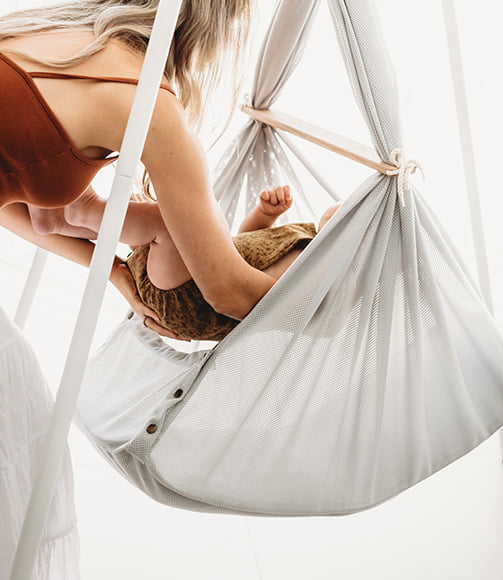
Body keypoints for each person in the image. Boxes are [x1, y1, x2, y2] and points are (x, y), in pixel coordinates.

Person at [0, 1, 260, 576]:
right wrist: (339, 289)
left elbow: (28, 206)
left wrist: (116, 272)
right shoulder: (142, 100)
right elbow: (228, 292)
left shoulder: (46, 35)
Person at [38, 185, 338, 341]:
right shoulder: (306, 233)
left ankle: (84, 211)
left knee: (168, 222)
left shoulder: (328, 270)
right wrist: (265, 214)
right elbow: (246, 245)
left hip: (192, 301)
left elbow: (247, 297)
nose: (342, 208)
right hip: (187, 280)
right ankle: (60, 218)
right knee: (151, 215)